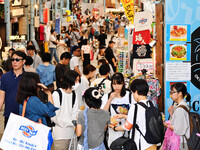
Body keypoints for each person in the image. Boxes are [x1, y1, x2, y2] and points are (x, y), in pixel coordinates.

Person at [109, 79, 157, 150]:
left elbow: (127, 127)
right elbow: (140, 118)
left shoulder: (135, 107)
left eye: (133, 92)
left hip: (141, 145)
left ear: (136, 91)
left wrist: (115, 128)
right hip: (152, 143)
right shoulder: (150, 104)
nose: (133, 95)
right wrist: (124, 116)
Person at [100, 73, 135, 147]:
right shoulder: (107, 96)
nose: (117, 87)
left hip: (127, 131)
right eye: (114, 84)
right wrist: (109, 100)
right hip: (112, 132)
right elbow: (102, 114)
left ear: (123, 84)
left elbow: (134, 113)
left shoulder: (129, 96)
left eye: (119, 84)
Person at [51, 70, 80, 150]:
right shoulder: (57, 94)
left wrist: (74, 122)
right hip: (60, 135)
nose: (78, 83)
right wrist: (71, 123)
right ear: (70, 80)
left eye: (78, 80)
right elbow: (55, 117)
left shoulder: (74, 94)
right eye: (76, 80)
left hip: (71, 135)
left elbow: (75, 112)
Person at [0, 51, 26, 127]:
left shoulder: (27, 77)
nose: (14, 62)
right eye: (13, 60)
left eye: (17, 60)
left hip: (24, 115)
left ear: (23, 61)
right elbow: (1, 97)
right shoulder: (5, 77)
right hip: (9, 115)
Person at [164, 82, 191, 150]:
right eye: (170, 92)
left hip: (181, 143)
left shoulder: (180, 109)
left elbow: (179, 130)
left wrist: (166, 125)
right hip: (182, 141)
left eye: (173, 92)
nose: (171, 95)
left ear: (180, 93)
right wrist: (171, 114)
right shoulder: (182, 105)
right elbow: (180, 122)